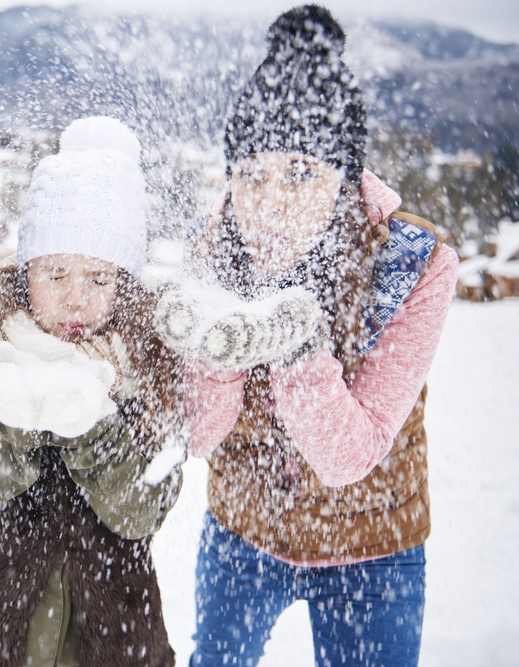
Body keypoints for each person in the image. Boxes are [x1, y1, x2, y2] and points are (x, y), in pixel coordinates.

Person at [154, 5, 459, 666]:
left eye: (300, 174)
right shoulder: (214, 249)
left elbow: (349, 455)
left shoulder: (412, 262)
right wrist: (223, 341)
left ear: (343, 178)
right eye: (252, 175)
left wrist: (294, 341)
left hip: (373, 546)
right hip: (245, 531)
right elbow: (199, 435)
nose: (270, 204)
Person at [0, 117, 186, 667]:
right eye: (56, 275)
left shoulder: (146, 370)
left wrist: (91, 428)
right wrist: (16, 420)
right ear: (25, 270)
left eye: (99, 279)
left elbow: (141, 513)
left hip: (103, 639)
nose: (76, 299)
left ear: (124, 284)